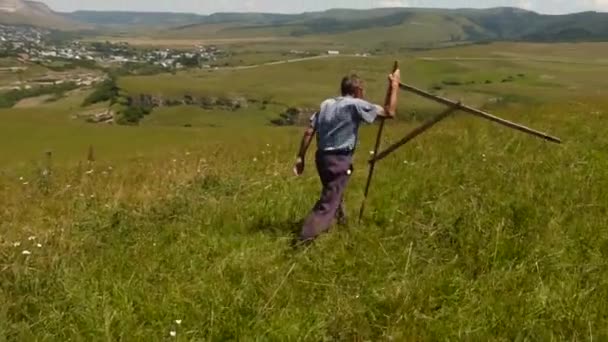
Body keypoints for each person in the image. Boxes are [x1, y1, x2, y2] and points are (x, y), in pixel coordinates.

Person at [293, 67, 401, 242]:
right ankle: (304, 239)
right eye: (363, 90)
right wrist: (394, 85)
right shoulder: (355, 104)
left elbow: (309, 131)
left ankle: (342, 228)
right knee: (328, 202)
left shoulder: (326, 104)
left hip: (322, 158)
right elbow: (389, 112)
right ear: (358, 90)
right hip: (339, 159)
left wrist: (300, 156)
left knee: (334, 192)